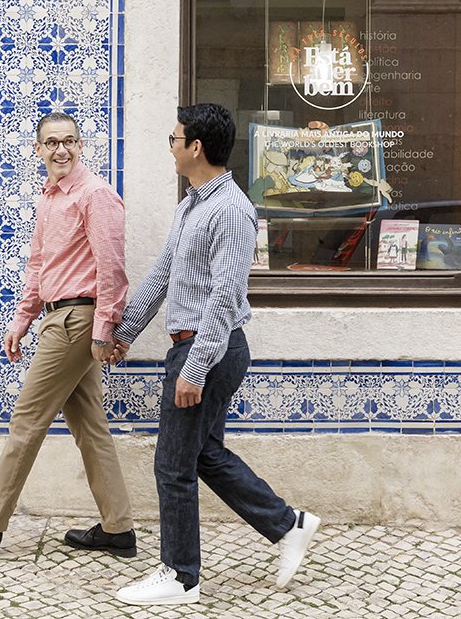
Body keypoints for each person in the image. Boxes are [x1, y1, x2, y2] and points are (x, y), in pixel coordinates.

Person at [108, 103, 320, 606]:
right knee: (202, 454)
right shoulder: (193, 204)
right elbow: (163, 275)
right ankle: (288, 525)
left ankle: (181, 577)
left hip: (210, 349)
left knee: (172, 465)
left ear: (195, 147)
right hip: (195, 347)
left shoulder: (232, 210)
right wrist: (125, 331)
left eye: (174, 137)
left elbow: (224, 300)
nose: (171, 145)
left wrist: (196, 368)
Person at [0, 112, 135, 559]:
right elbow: (39, 265)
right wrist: (22, 319)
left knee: (26, 421)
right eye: (52, 142)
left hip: (78, 320)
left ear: (82, 145)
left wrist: (103, 330)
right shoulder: (50, 199)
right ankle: (118, 529)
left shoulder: (96, 195)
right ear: (37, 150)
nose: (61, 150)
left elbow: (112, 268)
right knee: (90, 426)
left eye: (70, 141)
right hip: (56, 318)